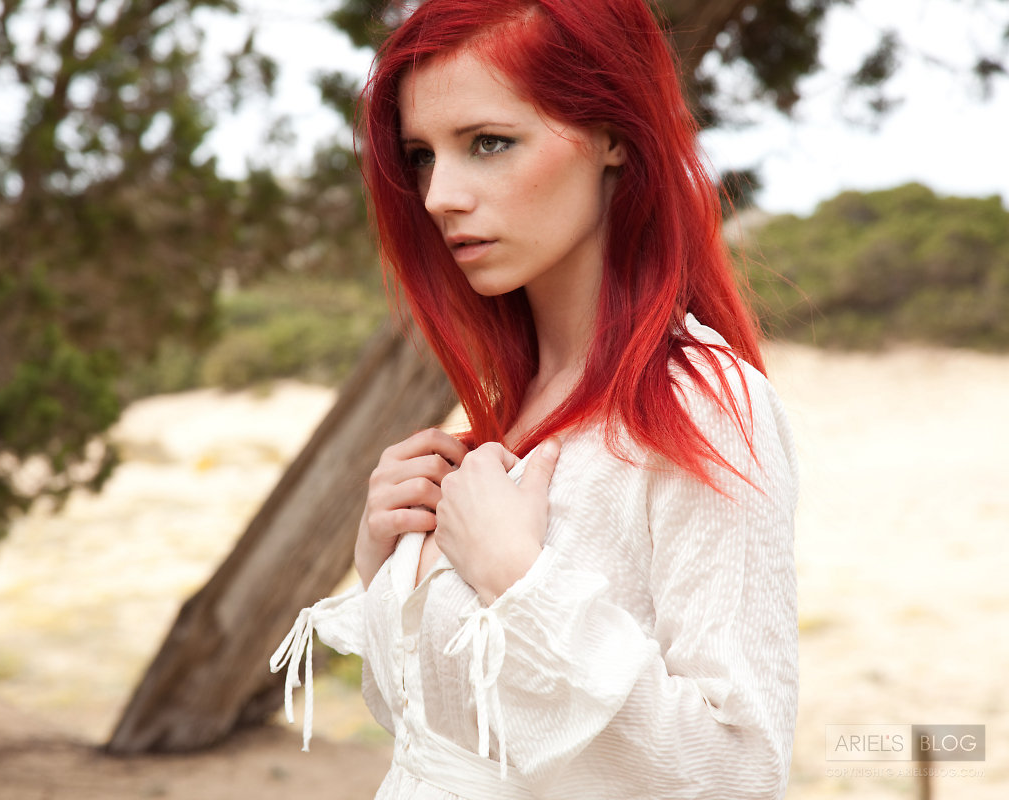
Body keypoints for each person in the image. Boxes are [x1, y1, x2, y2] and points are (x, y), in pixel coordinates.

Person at [270, 0, 799, 797]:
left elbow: (738, 772)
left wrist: (521, 584)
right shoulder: (505, 417)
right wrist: (386, 563)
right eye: (420, 156)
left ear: (613, 135)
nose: (439, 195)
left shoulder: (700, 409)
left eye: (489, 142)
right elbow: (441, 736)